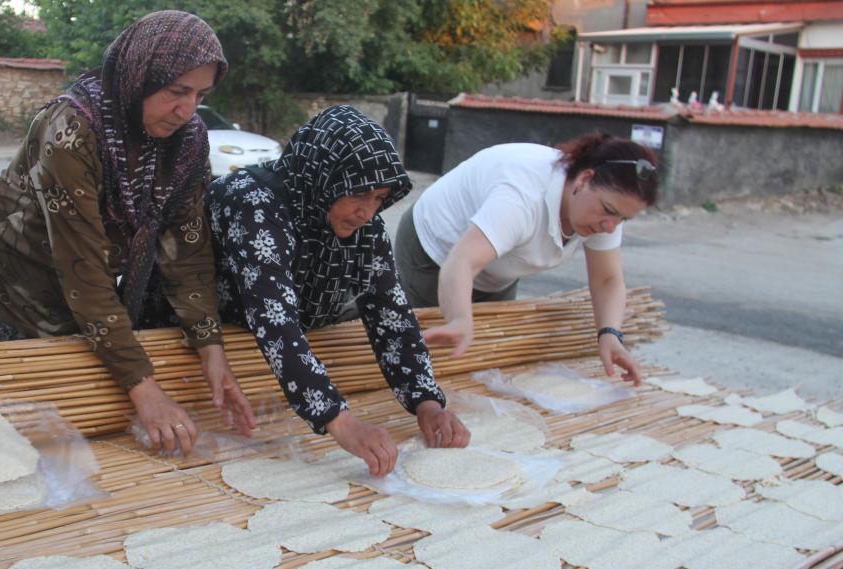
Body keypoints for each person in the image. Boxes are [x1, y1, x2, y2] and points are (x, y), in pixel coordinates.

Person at [0, 10, 255, 455]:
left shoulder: (186, 142)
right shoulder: (72, 129)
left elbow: (186, 250)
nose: (186, 110)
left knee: (68, 439)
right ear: (140, 75)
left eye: (200, 95)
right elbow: (83, 269)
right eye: (176, 91)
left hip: (75, 294)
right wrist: (144, 388)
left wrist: (212, 351)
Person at [205, 105, 468, 477]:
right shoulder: (255, 204)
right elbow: (277, 321)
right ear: (324, 175)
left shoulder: (364, 226)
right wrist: (340, 421)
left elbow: (390, 314)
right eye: (359, 194)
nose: (367, 211)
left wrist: (427, 403)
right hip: (201, 345)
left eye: (379, 198)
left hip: (279, 353)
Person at [395, 133, 659, 385]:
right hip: (435, 248)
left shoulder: (603, 210)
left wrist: (610, 334)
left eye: (623, 219)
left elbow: (607, 279)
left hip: (497, 267)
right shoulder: (523, 194)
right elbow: (462, 261)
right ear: (584, 180)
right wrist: (459, 319)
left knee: (484, 360)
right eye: (609, 212)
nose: (611, 227)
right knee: (420, 352)